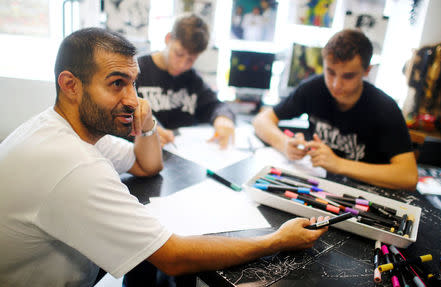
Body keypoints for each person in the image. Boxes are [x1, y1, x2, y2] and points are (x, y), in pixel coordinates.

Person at [0, 27, 328, 287]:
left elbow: (147, 165)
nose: (132, 99)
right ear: (71, 85)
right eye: (117, 84)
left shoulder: (62, 128)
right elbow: (172, 256)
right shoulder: (73, 165)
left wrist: (147, 126)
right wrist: (276, 240)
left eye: (133, 84)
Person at [253, 29, 418, 190]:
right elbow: (261, 120)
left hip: (364, 195)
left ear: (367, 71)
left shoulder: (384, 107)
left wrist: (338, 164)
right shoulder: (313, 89)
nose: (335, 85)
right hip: (320, 185)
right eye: (330, 72)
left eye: (348, 76)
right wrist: (284, 144)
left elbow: (408, 176)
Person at [136, 14, 235, 149]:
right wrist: (146, 131)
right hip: (146, 153)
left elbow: (215, 105)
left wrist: (223, 117)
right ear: (168, 39)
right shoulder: (136, 71)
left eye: (191, 60)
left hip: (183, 154)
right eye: (179, 54)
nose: (182, 65)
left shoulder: (192, 78)